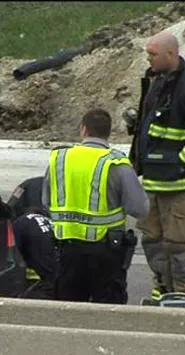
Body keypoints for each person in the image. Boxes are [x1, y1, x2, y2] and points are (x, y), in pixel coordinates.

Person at [125, 31, 185, 306]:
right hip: (155, 183)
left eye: (153, 54)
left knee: (182, 244)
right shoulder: (160, 82)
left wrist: (182, 164)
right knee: (154, 242)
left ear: (171, 54)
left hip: (181, 185)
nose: (148, 58)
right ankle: (164, 293)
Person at [42, 108, 149, 304]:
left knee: (68, 311)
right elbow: (140, 209)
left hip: (67, 248)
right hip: (106, 252)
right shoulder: (116, 163)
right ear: (108, 133)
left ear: (83, 130)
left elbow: (46, 201)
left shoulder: (60, 159)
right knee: (107, 313)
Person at [12, 205, 58, 299]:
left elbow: (15, 251)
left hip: (45, 276)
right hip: (60, 269)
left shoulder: (20, 222)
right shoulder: (50, 221)